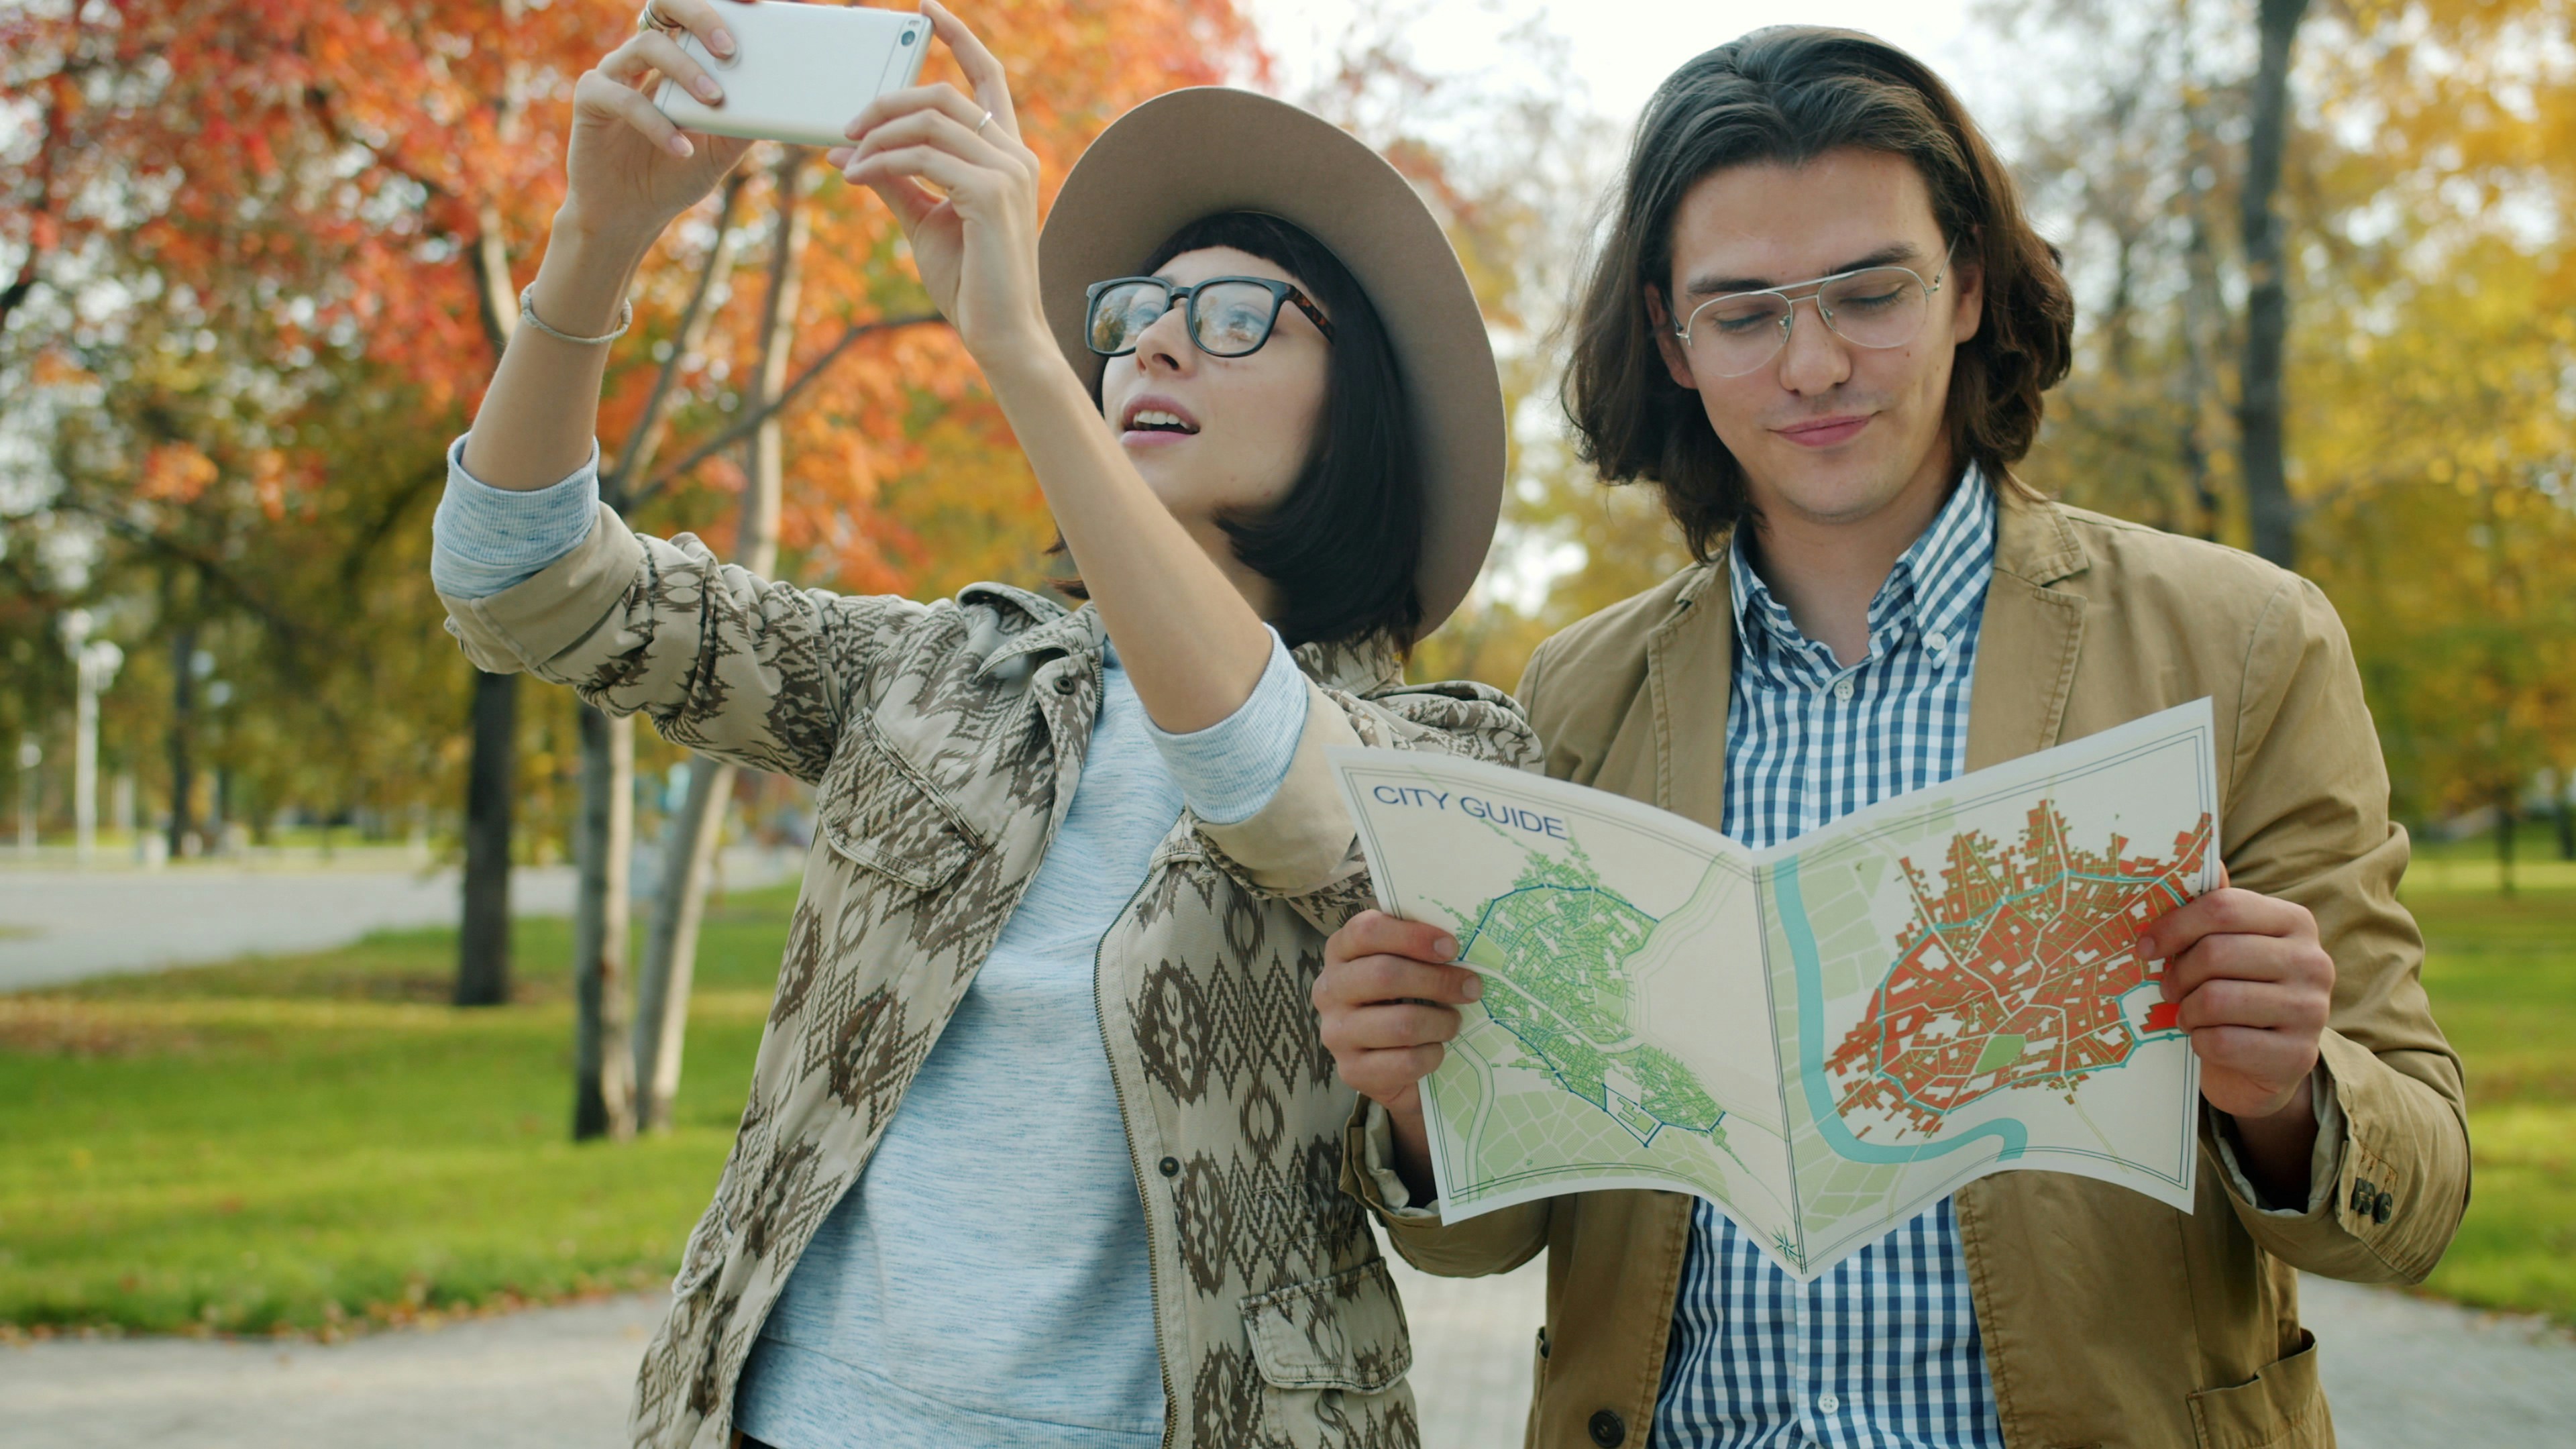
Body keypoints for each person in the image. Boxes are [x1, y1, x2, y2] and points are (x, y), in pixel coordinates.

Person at [1312, 27, 2468, 1449]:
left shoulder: (2239, 644)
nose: (1813, 365)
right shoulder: (1576, 694)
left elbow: (2409, 1209)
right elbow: (1484, 1243)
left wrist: (2284, 1097)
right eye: (1743, 314)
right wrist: (1427, 1099)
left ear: (1969, 284)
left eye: (1871, 292)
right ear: (1673, 340)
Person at [429, 2, 1536, 1444]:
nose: (1158, 348)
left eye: (1234, 316)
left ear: (1364, 404)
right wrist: (594, 245)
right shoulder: (941, 670)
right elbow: (528, 587)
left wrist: (1019, 356)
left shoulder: (1453, 756)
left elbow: (1283, 798)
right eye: (1133, 317)